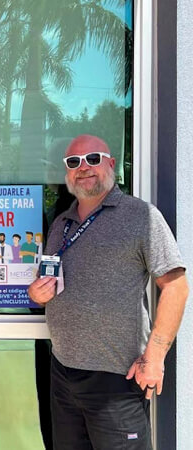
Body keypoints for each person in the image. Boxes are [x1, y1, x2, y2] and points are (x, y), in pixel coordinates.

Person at [28, 134, 188, 450]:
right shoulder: (61, 223)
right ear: (66, 173)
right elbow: (48, 283)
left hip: (117, 379)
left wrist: (155, 357)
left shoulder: (140, 216)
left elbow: (176, 287)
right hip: (63, 373)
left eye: (93, 159)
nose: (83, 168)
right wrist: (37, 294)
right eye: (73, 162)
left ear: (111, 164)